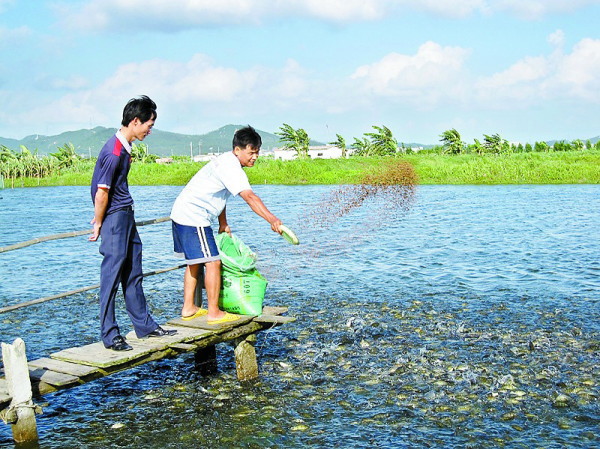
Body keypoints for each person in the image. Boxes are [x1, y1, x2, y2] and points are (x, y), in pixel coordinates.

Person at [90, 95, 176, 351]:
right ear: (135, 121)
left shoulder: (125, 147)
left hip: (126, 214)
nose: (150, 130)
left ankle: (145, 325)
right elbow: (101, 191)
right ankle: (110, 334)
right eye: (149, 125)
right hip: (115, 217)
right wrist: (98, 223)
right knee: (112, 275)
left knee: (133, 272)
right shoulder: (114, 152)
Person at [170, 125, 282, 324]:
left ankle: (188, 307)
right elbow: (250, 197)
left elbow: (220, 195)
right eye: (251, 152)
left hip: (183, 213)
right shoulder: (231, 167)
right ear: (237, 150)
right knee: (213, 262)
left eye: (257, 152)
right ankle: (214, 312)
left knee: (195, 262)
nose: (255, 157)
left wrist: (223, 223)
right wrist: (272, 219)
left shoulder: (226, 162)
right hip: (194, 216)